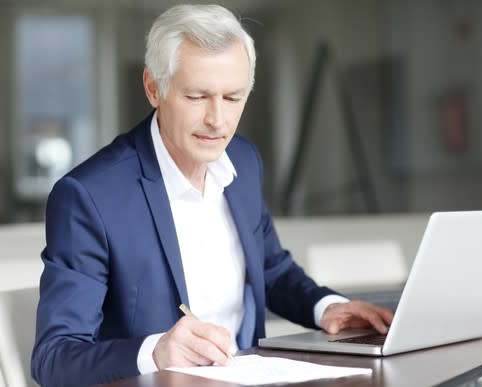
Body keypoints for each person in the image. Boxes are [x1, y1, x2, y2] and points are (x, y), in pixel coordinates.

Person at [31, 4, 393, 386]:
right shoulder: (89, 197)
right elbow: (54, 358)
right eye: (197, 96)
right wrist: (155, 352)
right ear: (154, 88)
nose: (217, 121)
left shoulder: (244, 161)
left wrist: (328, 308)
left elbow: (270, 270)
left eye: (233, 98)